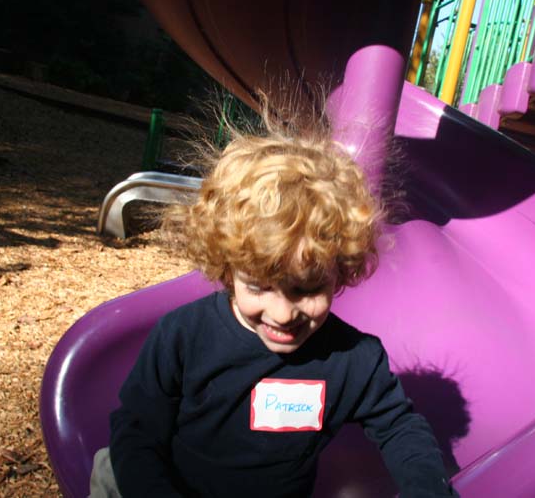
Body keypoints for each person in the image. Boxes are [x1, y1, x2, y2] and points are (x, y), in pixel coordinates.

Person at [89, 103, 457, 497]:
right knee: (110, 469)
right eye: (259, 287)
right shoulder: (184, 336)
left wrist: (427, 489)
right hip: (169, 486)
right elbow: (137, 429)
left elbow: (400, 427)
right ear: (227, 269)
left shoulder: (355, 359)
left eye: (307, 289)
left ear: (340, 272)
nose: (282, 314)